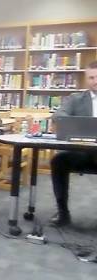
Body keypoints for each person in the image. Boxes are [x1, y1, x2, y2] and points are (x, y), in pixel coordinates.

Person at [48, 61, 97, 226]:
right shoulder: (76, 99)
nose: (95, 81)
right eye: (91, 77)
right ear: (86, 79)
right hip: (82, 151)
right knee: (58, 161)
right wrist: (74, 124)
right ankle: (63, 213)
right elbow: (58, 115)